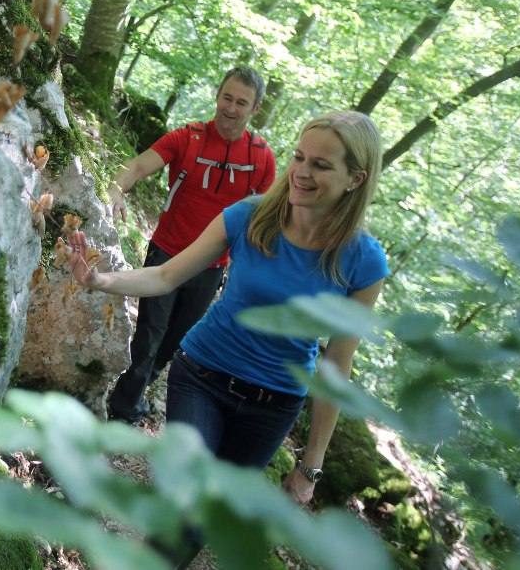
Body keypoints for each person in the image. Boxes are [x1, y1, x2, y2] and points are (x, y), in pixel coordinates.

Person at [69, 111, 389, 566]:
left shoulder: (363, 262)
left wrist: (310, 466)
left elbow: (337, 365)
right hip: (203, 375)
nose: (301, 171)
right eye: (299, 157)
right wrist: (100, 280)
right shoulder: (249, 216)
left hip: (273, 407)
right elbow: (165, 275)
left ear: (356, 178)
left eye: (321, 165)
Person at [105, 66, 277, 425]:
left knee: (172, 346)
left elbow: (264, 221)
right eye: (226, 97)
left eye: (241, 102)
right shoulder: (189, 138)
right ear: (217, 96)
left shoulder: (262, 159)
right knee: (149, 339)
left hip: (212, 267)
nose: (230, 108)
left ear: (255, 109)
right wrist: (115, 190)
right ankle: (122, 411)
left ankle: (131, 395)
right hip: (167, 251)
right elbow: (138, 165)